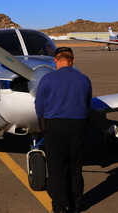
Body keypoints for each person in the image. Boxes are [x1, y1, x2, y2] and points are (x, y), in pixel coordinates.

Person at [35, 47, 92, 213]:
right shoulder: (84, 79)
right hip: (78, 126)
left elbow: (39, 106)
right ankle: (76, 205)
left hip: (55, 126)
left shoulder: (46, 79)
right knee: (75, 167)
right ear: (72, 60)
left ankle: (60, 206)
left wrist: (43, 124)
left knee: (56, 167)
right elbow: (87, 103)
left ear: (55, 60)